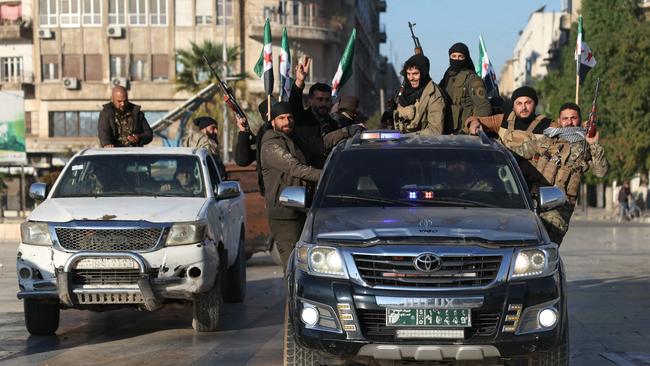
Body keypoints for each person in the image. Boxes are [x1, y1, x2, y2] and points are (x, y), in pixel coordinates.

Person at [514, 103, 609, 242]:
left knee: (548, 246)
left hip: (559, 208)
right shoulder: (546, 139)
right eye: (565, 118)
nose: (569, 122)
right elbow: (517, 154)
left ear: (580, 119)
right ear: (559, 120)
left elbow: (601, 172)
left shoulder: (585, 144)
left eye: (573, 118)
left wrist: (593, 143)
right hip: (534, 202)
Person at [260, 102, 322, 269]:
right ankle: (291, 296)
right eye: (281, 118)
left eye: (290, 117)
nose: (287, 121)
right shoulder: (271, 145)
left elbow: (319, 144)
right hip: (284, 214)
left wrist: (344, 133)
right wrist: (326, 176)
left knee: (306, 266)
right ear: (273, 122)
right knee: (292, 266)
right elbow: (295, 168)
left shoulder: (292, 139)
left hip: (301, 209)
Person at [439, 42, 492, 134]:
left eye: (460, 56)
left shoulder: (473, 80)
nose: (456, 59)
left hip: (464, 133)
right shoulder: (448, 76)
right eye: (453, 56)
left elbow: (484, 107)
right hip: (446, 131)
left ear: (466, 58)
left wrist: (470, 128)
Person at [393, 54, 446, 135]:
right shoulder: (403, 92)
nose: (411, 78)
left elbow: (435, 131)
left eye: (415, 74)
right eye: (408, 73)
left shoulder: (434, 95)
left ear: (423, 73)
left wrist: (406, 138)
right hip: (402, 144)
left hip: (422, 145)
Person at [290, 58, 339, 137]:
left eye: (327, 100)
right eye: (320, 99)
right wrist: (299, 81)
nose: (324, 103)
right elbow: (295, 102)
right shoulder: (302, 119)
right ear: (310, 100)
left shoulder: (334, 125)